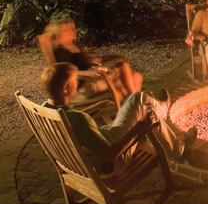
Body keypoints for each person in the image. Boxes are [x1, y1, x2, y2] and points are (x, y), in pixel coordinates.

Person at [40, 62, 195, 167]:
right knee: (141, 102)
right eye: (75, 81)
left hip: (91, 151)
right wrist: (140, 127)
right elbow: (108, 155)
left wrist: (95, 106)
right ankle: (174, 143)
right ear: (66, 88)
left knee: (140, 103)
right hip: (114, 161)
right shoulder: (78, 119)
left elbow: (72, 120)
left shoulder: (46, 110)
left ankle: (160, 110)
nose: (77, 84)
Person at [44, 17, 142, 99]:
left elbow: (86, 62)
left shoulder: (72, 46)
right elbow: (62, 73)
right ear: (58, 34)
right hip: (81, 86)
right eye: (67, 30)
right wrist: (87, 73)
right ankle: (136, 104)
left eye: (73, 28)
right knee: (123, 68)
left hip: (92, 79)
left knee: (136, 76)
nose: (73, 31)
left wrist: (106, 58)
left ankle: (133, 106)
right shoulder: (59, 51)